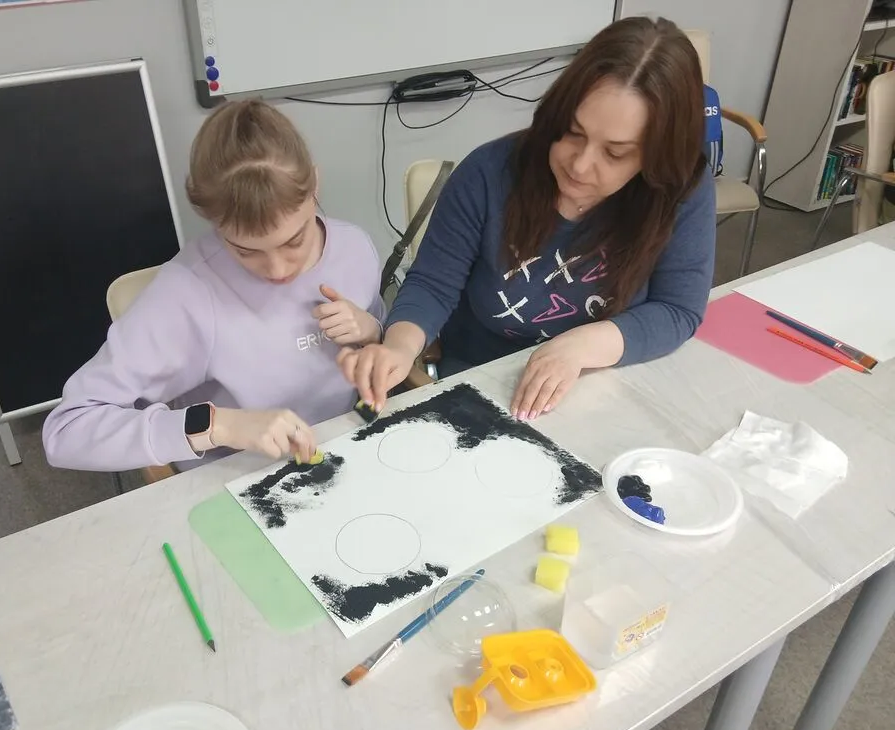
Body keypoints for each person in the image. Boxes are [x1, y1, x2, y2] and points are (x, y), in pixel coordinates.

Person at [338, 16, 715, 420]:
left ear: (657, 156)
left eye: (615, 153)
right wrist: (399, 348)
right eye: (572, 132)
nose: (580, 165)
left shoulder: (678, 189)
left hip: (602, 382)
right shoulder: (488, 174)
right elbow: (433, 284)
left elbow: (677, 309)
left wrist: (577, 347)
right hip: (484, 384)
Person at [43, 100, 385, 472]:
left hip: (349, 452)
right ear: (212, 220)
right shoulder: (185, 295)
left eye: (294, 241)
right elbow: (66, 432)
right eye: (245, 250)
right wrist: (218, 425)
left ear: (314, 184)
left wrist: (372, 332)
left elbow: (380, 348)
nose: (277, 269)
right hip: (242, 479)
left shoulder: (354, 247)